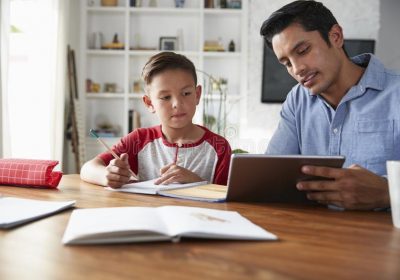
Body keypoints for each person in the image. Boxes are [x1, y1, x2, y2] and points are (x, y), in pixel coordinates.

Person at [260, 0, 400, 210]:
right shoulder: (297, 100)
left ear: (335, 36)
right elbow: (269, 178)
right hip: (315, 235)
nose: (297, 69)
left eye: (303, 50)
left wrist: (388, 193)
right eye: (287, 63)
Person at [80, 52, 231, 188]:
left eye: (186, 93)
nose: (177, 104)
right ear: (149, 103)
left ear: (197, 95)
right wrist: (107, 176)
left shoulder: (219, 147)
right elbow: (87, 168)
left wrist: (196, 182)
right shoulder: (138, 140)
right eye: (166, 97)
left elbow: (228, 199)